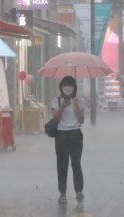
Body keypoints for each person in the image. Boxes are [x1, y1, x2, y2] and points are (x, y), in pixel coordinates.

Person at [51, 76, 85, 204]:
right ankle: (63, 193)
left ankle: (79, 191)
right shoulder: (57, 100)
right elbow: (55, 119)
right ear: (61, 87)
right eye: (65, 85)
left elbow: (81, 120)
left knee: (76, 163)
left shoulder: (79, 100)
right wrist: (62, 107)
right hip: (61, 135)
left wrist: (77, 109)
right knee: (62, 164)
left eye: (70, 85)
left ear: (74, 87)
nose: (67, 87)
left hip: (76, 134)